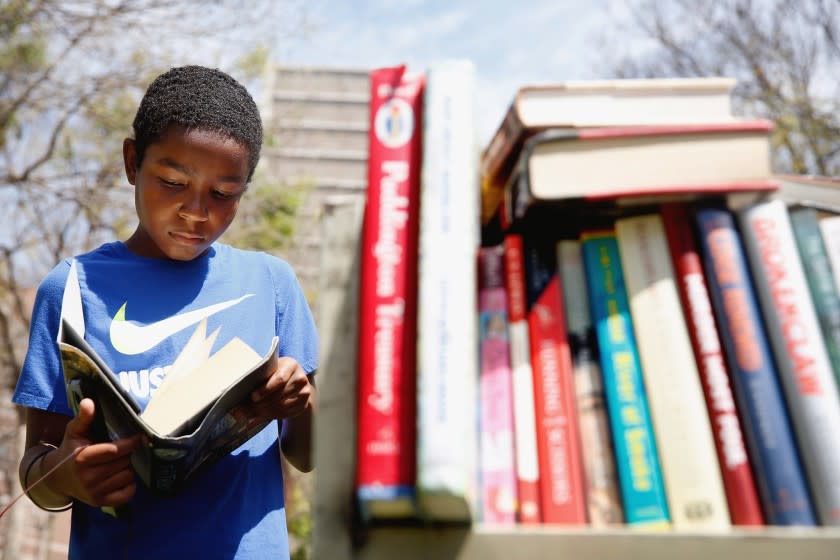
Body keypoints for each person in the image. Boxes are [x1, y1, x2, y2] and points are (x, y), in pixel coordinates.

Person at [12, 65, 318, 559]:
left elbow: (306, 456)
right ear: (133, 161)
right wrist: (66, 475)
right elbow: (38, 467)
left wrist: (302, 405)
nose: (196, 211)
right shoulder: (71, 288)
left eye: (223, 194)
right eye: (173, 182)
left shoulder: (270, 284)